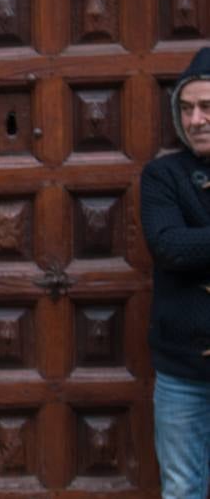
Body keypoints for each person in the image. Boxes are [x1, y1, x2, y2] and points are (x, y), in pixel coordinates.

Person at [141, 46, 210, 499]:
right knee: (183, 488)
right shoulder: (164, 175)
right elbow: (168, 246)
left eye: (207, 107)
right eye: (186, 108)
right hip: (182, 371)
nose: (196, 119)